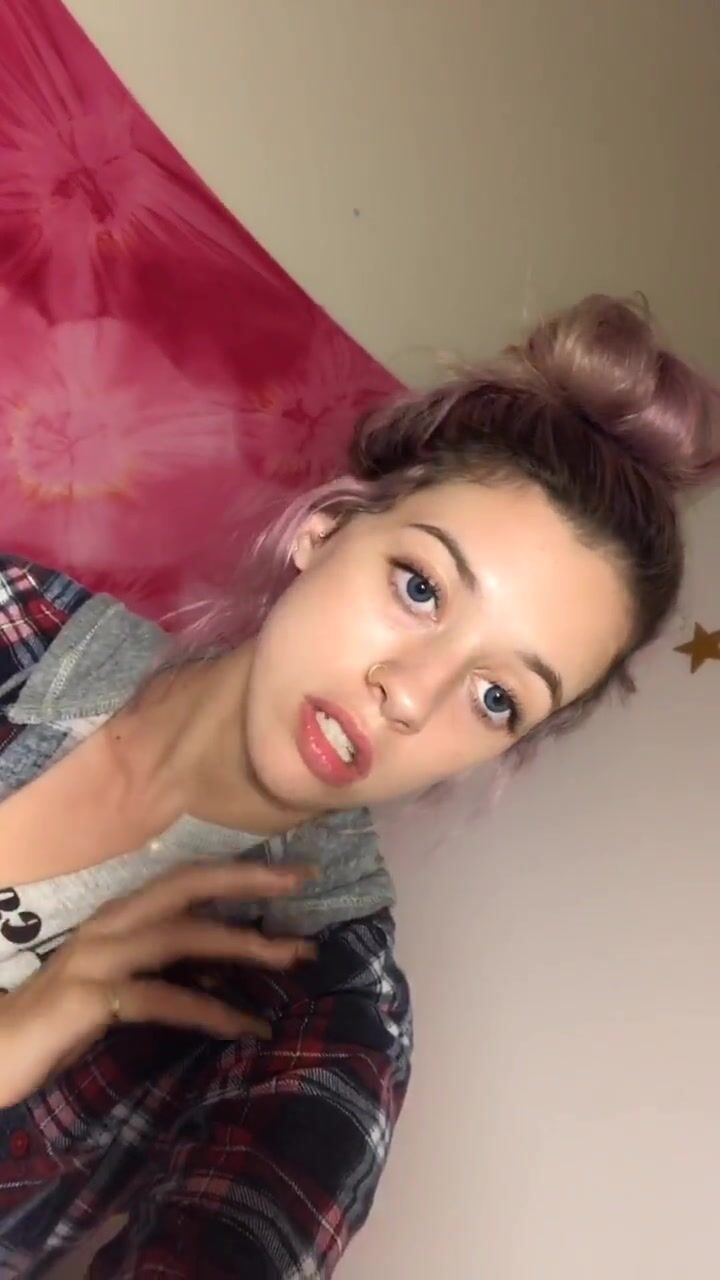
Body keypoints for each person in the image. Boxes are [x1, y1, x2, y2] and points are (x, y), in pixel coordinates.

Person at [0, 294, 716, 1277]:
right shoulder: (18, 618)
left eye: (497, 696)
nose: (410, 696)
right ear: (327, 530)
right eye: (421, 588)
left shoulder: (326, 1020)